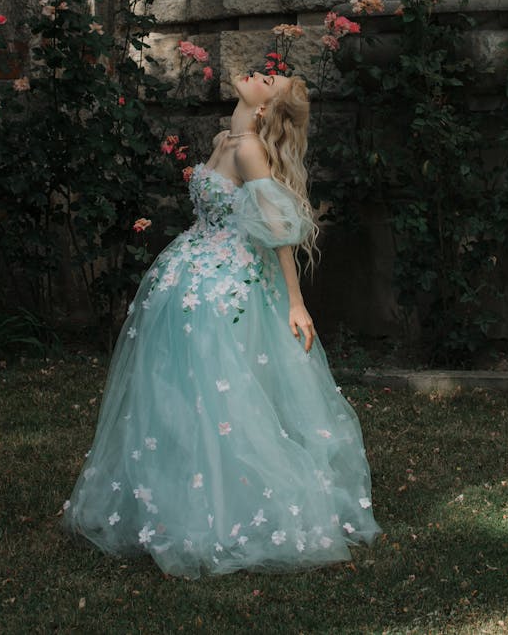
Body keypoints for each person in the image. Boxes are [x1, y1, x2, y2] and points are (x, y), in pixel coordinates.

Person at [62, 70, 380, 577]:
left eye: (268, 80)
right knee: (175, 390)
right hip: (189, 272)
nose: (260, 72)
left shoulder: (249, 149)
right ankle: (168, 498)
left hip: (227, 285)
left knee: (222, 390)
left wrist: (296, 302)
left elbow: (278, 230)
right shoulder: (222, 139)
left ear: (261, 110)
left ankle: (228, 508)